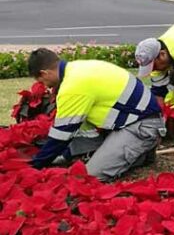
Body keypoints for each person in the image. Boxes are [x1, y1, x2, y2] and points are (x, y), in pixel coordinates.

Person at [28, 48, 165, 181]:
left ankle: (140, 152)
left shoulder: (72, 86)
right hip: (134, 120)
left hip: (142, 125)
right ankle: (139, 151)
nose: (46, 86)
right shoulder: (77, 68)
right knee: (88, 159)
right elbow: (75, 127)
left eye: (42, 81)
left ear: (45, 73)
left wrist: (36, 165)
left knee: (91, 175)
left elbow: (61, 136)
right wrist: (65, 154)